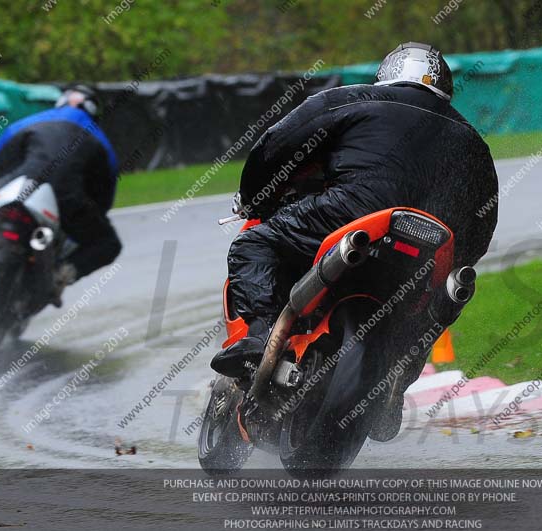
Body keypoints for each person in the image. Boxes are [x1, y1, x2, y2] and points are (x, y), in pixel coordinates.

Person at [212, 42, 499, 436]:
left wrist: (252, 196)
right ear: (444, 88)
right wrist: (459, 256)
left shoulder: (354, 98)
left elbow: (278, 143)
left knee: (254, 244)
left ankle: (257, 338)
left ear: (388, 75)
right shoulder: (472, 141)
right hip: (433, 244)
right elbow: (483, 222)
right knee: (437, 302)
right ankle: (395, 385)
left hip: (353, 214)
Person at [0, 85, 122, 305]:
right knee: (109, 243)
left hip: (21, 180)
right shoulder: (99, 138)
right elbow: (105, 190)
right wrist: (93, 215)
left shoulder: (33, 120)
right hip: (66, 197)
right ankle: (61, 275)